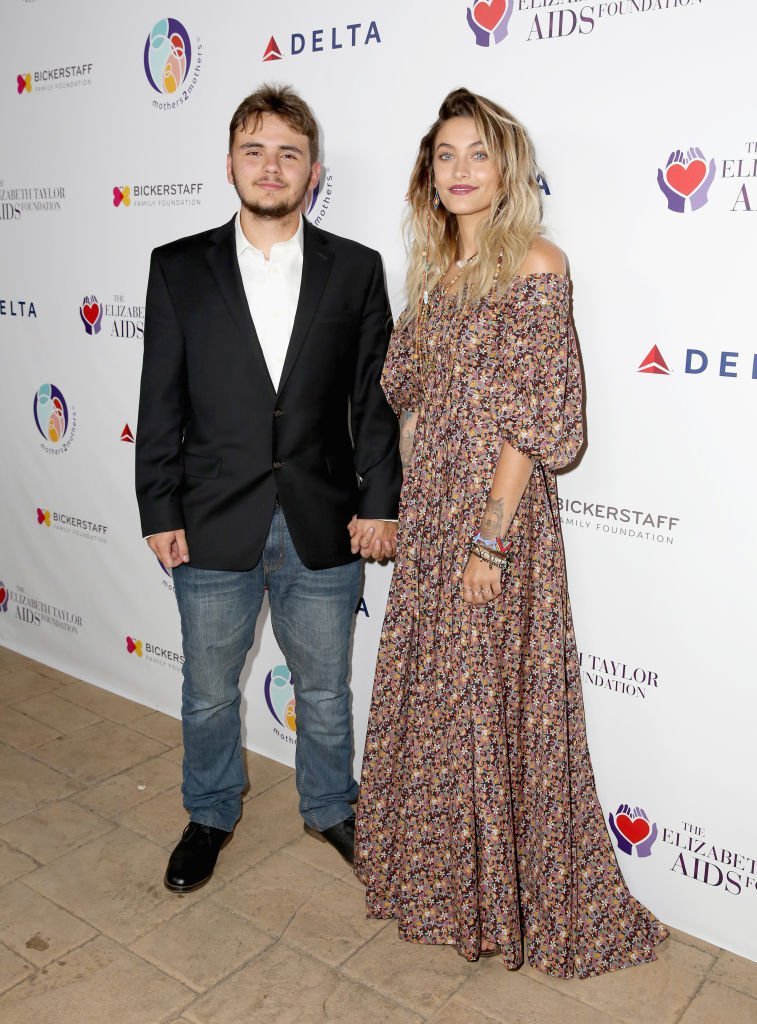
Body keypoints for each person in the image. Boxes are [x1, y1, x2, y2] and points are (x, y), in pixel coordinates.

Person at [353, 88, 668, 976]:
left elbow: (537, 421)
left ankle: (506, 903)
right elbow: (406, 391)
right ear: (428, 172)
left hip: (497, 518)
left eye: (477, 154)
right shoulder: (433, 275)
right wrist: (420, 471)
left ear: (508, 169)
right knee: (442, 707)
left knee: (490, 703)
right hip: (429, 518)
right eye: (444, 155)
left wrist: (488, 540)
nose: (459, 171)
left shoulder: (534, 264)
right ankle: (448, 891)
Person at [136, 84, 401, 893]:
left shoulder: (355, 269)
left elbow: (373, 401)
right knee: (209, 692)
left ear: (312, 171)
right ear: (229, 164)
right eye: (255, 150)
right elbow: (160, 399)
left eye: (288, 152)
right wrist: (158, 509)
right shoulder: (177, 267)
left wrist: (381, 501)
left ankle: (330, 805)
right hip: (212, 520)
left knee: (324, 688)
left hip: (321, 519)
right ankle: (210, 813)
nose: (271, 166)